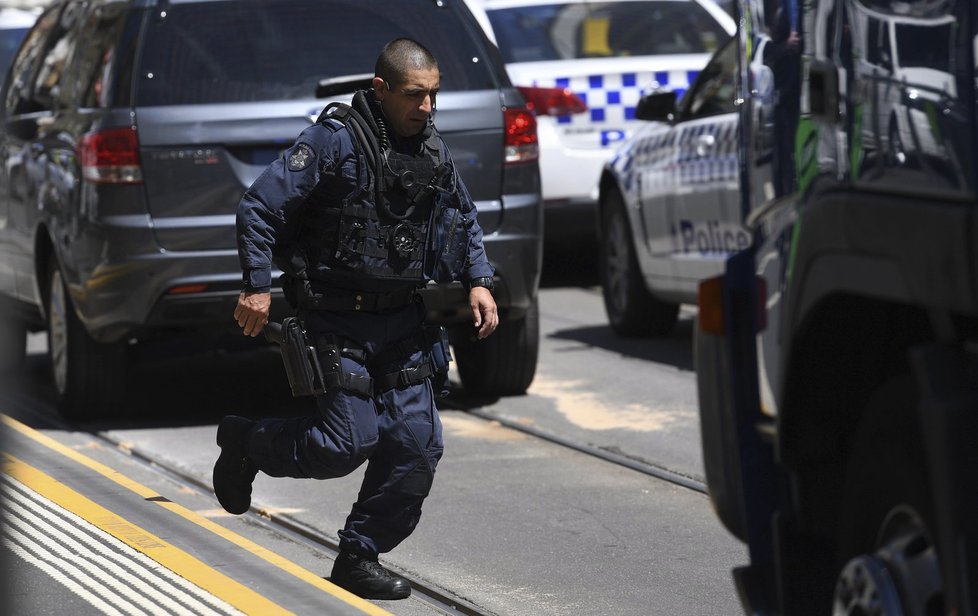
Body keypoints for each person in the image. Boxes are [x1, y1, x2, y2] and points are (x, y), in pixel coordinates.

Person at [213, 38, 498, 601]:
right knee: (343, 445)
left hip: (404, 323)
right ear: (381, 89)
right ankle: (247, 443)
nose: (426, 108)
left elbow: (460, 216)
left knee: (416, 447)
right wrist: (257, 287)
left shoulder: (430, 149)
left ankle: (358, 555)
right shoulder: (334, 141)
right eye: (415, 96)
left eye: (434, 96)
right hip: (336, 321)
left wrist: (480, 280)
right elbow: (260, 208)